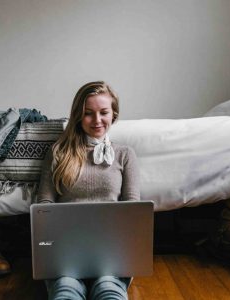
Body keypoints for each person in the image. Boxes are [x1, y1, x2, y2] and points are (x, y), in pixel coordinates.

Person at [37, 81, 140, 300]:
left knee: (108, 291)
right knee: (66, 291)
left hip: (112, 254)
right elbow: (44, 206)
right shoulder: (58, 152)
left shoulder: (125, 154)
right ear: (77, 116)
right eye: (88, 113)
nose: (97, 120)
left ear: (114, 114)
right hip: (65, 254)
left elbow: (133, 211)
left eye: (104, 112)